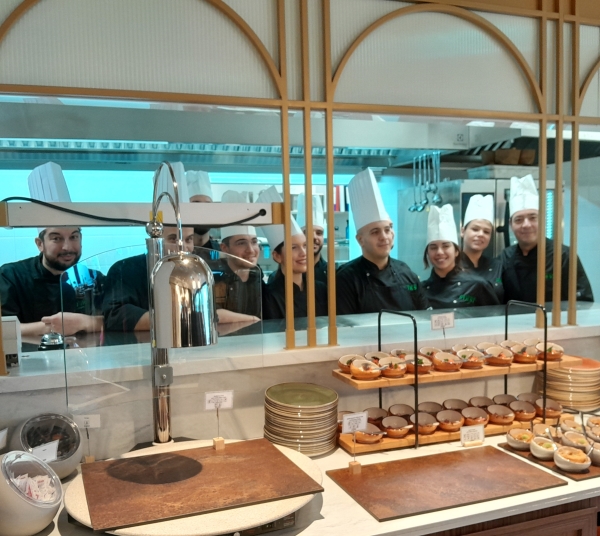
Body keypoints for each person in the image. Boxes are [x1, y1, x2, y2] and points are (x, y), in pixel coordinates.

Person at [103, 226, 256, 331]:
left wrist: (253, 320)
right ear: (154, 243)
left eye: (188, 240)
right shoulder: (125, 269)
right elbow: (115, 315)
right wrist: (189, 320)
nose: (183, 247)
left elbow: (209, 312)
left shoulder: (192, 273)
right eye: (173, 239)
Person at [336, 168, 429, 314]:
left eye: (387, 229)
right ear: (360, 240)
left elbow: (424, 316)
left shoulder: (405, 272)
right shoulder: (346, 278)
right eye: (375, 232)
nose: (384, 237)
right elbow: (345, 325)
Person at [499, 174, 593, 304]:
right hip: (514, 318)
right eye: (519, 220)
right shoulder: (505, 257)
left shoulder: (564, 256)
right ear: (511, 225)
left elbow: (583, 302)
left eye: (533, 218)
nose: (526, 225)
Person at [0, 227, 105, 336]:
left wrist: (84, 322)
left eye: (74, 237)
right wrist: (53, 327)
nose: (67, 247)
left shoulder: (93, 278)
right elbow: (4, 329)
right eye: (56, 238)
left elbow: (113, 319)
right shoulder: (10, 276)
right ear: (40, 244)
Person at [422, 205, 500, 309]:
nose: (439, 252)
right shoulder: (421, 289)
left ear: (456, 251)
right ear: (427, 253)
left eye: (446, 246)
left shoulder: (477, 285)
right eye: (433, 247)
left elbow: (495, 317)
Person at [262, 216, 328, 320]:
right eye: (294, 248)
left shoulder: (321, 289)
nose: (303, 253)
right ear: (277, 256)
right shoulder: (269, 296)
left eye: (305, 246)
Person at [214, 190, 264, 318]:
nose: (251, 250)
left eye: (254, 242)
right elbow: (212, 314)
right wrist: (253, 320)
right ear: (224, 248)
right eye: (241, 243)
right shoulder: (215, 280)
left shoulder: (258, 279)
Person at [460, 194, 504, 302]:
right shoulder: (450, 265)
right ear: (463, 231)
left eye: (486, 232)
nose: (480, 234)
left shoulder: (497, 266)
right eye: (475, 229)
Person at [296, 193, 327, 285]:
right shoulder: (285, 274)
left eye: (319, 233)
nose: (314, 237)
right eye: (307, 232)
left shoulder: (334, 274)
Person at [187, 170, 219, 251]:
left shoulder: (221, 253)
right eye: (196, 204)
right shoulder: (179, 251)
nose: (202, 210)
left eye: (207, 205)